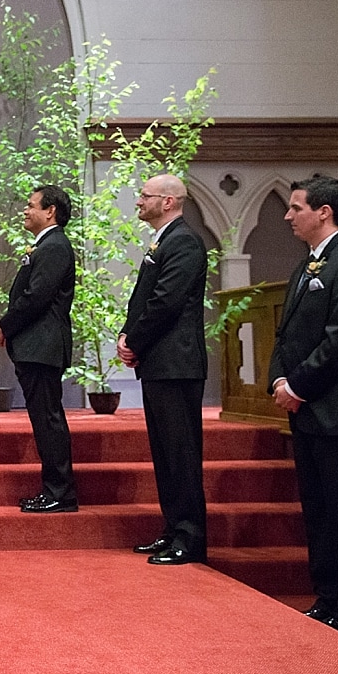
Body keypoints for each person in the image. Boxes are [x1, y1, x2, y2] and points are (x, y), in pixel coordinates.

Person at [269, 175, 338, 638]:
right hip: (310, 410)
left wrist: (297, 385)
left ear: (324, 212)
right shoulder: (307, 266)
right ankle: (329, 597)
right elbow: (287, 333)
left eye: (296, 207)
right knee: (319, 511)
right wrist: (279, 377)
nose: (287, 215)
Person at [117, 174, 208, 565]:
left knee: (181, 453)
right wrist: (128, 334)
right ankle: (173, 530)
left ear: (168, 201)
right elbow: (145, 299)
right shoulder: (163, 239)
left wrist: (134, 341)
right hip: (160, 362)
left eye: (145, 196)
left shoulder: (184, 241)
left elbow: (166, 301)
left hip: (177, 363)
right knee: (165, 454)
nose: (139, 201)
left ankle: (190, 537)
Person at [0, 186, 77, 512]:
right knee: (43, 420)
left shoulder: (55, 246)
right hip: (34, 346)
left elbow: (36, 296)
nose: (25, 211)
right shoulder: (46, 244)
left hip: (42, 345)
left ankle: (60, 492)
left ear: (51, 211)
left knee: (48, 420)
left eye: (31, 206)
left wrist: (6, 324)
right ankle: (54, 489)